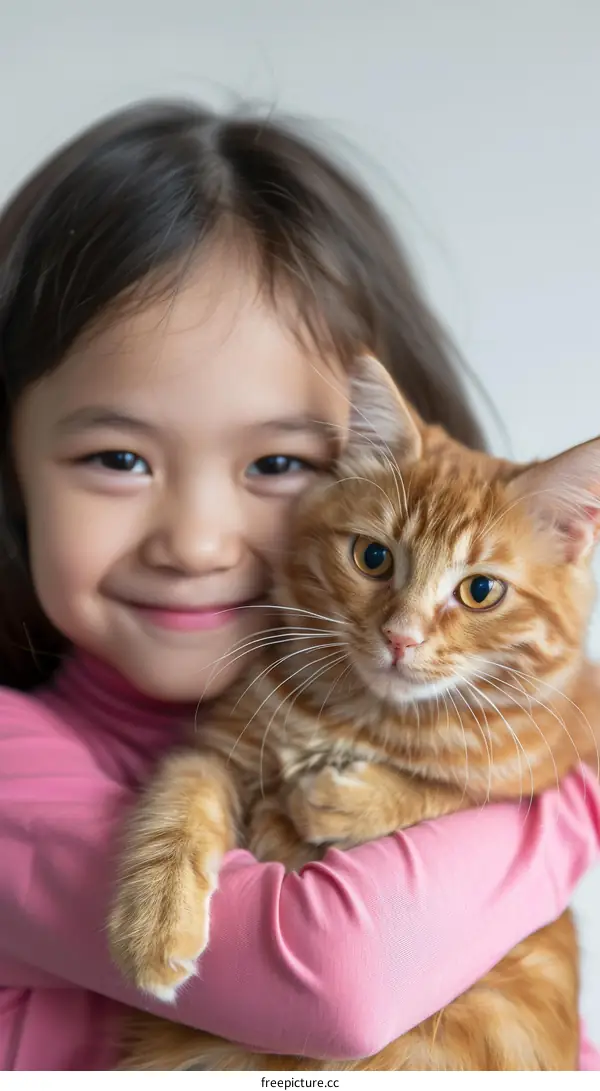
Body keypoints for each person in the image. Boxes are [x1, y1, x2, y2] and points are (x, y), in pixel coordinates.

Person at [0, 101, 598, 1072]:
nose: (196, 541)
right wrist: (572, 796)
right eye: (118, 456)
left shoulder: (401, 683)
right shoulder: (15, 756)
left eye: (280, 464)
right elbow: (340, 979)